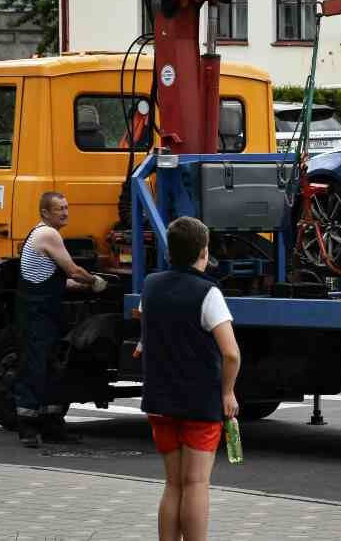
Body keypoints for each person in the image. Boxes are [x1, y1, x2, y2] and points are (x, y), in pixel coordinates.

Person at [140, 216, 240, 541]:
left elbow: (149, 328)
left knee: (173, 484)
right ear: (204, 251)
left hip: (159, 399)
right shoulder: (208, 293)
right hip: (199, 402)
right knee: (196, 483)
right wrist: (228, 392)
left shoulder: (151, 285)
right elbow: (231, 353)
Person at [15, 191, 106, 447]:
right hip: (37, 313)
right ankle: (28, 428)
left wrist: (78, 285)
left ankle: (51, 424)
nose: (65, 212)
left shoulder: (42, 233)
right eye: (59, 209)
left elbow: (55, 279)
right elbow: (73, 270)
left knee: (53, 365)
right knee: (36, 366)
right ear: (45, 213)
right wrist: (95, 281)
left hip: (43, 311)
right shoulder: (48, 234)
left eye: (66, 207)